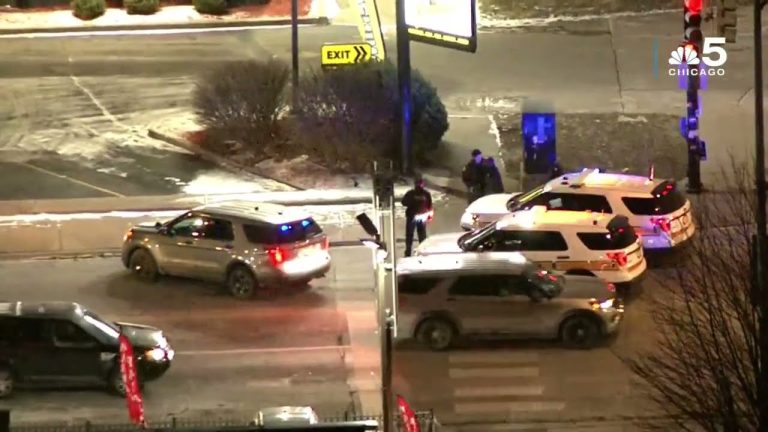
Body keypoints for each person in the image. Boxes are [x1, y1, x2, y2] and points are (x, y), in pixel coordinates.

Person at [401, 176, 433, 257]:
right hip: (412, 216)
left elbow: (430, 205)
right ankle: (408, 251)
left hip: (421, 217)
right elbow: (404, 202)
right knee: (409, 235)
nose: (419, 186)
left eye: (420, 184)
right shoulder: (411, 193)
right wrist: (410, 203)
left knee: (422, 235)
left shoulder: (426, 194)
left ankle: (422, 250)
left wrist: (429, 215)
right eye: (418, 184)